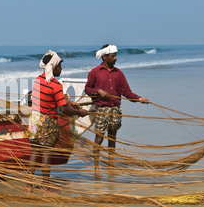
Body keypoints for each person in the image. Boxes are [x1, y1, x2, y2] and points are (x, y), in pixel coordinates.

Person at [27, 51, 89, 194]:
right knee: (46, 155)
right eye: (60, 66)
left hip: (34, 120)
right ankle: (46, 187)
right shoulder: (55, 85)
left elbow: (48, 99)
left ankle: (28, 186)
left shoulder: (37, 80)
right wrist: (79, 112)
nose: (61, 69)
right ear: (54, 67)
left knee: (34, 153)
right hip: (48, 121)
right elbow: (63, 109)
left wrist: (67, 101)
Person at [85, 44, 149, 179]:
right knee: (99, 138)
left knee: (112, 138)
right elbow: (88, 89)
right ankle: (96, 168)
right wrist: (98, 91)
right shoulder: (94, 72)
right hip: (101, 109)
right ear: (104, 57)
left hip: (115, 109)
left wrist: (139, 99)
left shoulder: (118, 73)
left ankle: (110, 165)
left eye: (115, 55)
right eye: (112, 56)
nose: (115, 58)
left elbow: (126, 92)